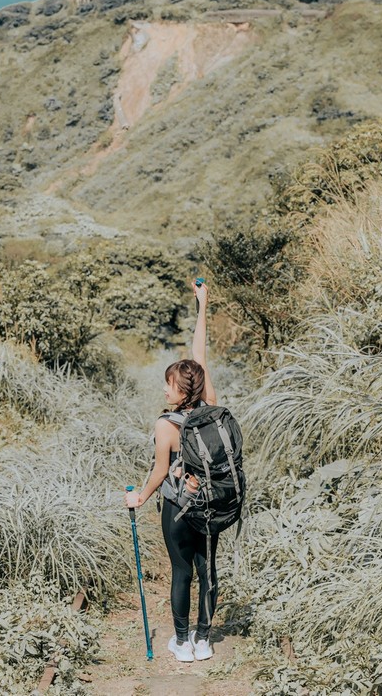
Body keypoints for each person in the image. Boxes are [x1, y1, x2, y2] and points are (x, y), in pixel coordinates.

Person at [125, 279, 218, 663]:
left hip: (179, 508)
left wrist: (139, 498)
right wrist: (202, 306)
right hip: (212, 504)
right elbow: (200, 353)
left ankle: (181, 642)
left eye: (169, 385)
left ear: (181, 390)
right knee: (207, 570)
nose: (165, 391)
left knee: (181, 571)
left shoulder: (168, 425)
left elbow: (160, 471)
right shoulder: (211, 404)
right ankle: (204, 639)